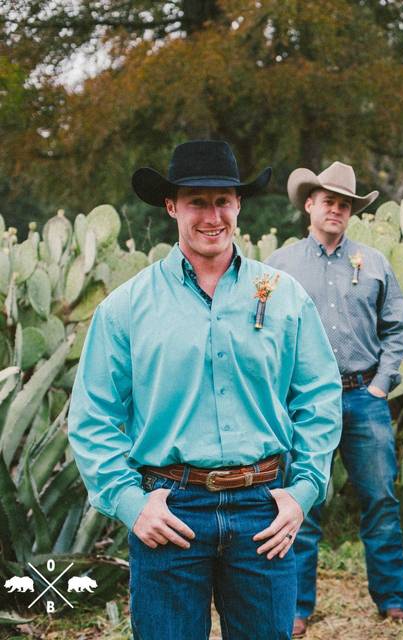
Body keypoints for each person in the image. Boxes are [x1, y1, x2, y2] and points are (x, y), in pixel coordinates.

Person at [67, 140, 342, 639]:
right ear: (171, 206)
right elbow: (93, 417)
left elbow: (320, 398)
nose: (211, 215)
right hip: (168, 511)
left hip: (265, 511)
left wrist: (302, 492)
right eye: (197, 201)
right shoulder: (126, 308)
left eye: (222, 200)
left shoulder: (284, 297)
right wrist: (131, 504)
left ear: (238, 205)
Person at [267, 161, 403, 633]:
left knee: (381, 500)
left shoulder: (373, 262)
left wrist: (380, 383)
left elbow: (397, 328)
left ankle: (392, 597)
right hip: (305, 404)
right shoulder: (280, 265)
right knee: (300, 505)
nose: (336, 210)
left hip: (363, 396)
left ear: (352, 212)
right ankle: (295, 606)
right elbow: (262, 331)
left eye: (344, 204)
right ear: (309, 204)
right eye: (328, 201)